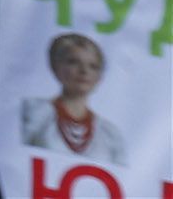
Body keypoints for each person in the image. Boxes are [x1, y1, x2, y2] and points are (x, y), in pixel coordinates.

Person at [19, 34, 128, 165]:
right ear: (56, 66)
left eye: (93, 66)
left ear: (100, 76)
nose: (84, 71)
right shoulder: (33, 112)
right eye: (74, 62)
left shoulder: (110, 134)